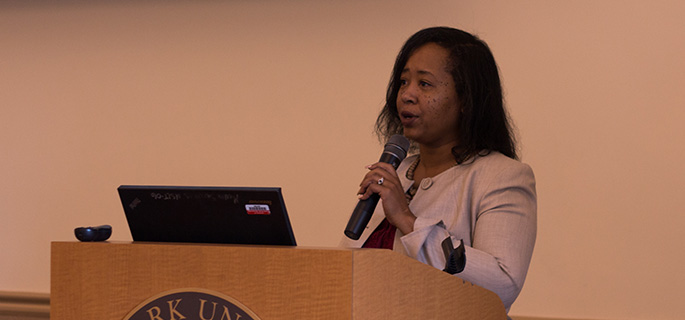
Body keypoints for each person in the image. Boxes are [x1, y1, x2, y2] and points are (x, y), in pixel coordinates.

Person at [339, 26, 537, 312]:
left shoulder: (502, 177)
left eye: (424, 84)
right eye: (404, 81)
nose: (406, 94)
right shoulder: (398, 172)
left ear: (467, 100)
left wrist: (408, 221)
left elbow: (501, 285)